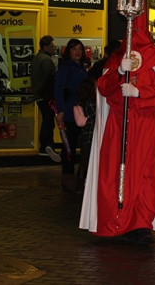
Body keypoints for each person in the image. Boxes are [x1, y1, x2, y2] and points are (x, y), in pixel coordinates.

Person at [79, 9, 155, 245]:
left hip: (145, 124)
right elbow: (103, 87)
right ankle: (115, 220)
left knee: (144, 174)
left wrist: (139, 92)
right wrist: (119, 73)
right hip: (118, 123)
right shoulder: (117, 58)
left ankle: (140, 223)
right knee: (113, 171)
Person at [54, 39, 89, 191]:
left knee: (76, 144)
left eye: (80, 49)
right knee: (69, 146)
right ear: (68, 51)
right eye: (74, 49)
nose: (77, 52)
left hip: (80, 111)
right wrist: (60, 110)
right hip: (70, 112)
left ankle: (75, 176)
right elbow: (59, 88)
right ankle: (68, 176)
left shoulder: (80, 67)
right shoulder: (66, 66)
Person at [30, 35, 60, 162]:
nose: (54, 48)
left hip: (39, 95)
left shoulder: (37, 59)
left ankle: (46, 146)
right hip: (46, 95)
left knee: (47, 119)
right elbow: (51, 79)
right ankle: (47, 145)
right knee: (48, 120)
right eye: (52, 46)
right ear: (46, 46)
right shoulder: (47, 61)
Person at [74, 77, 97, 194]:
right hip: (92, 135)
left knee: (84, 161)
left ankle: (80, 184)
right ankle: (84, 184)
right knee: (88, 161)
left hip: (85, 136)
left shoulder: (81, 102)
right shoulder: (92, 102)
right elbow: (96, 114)